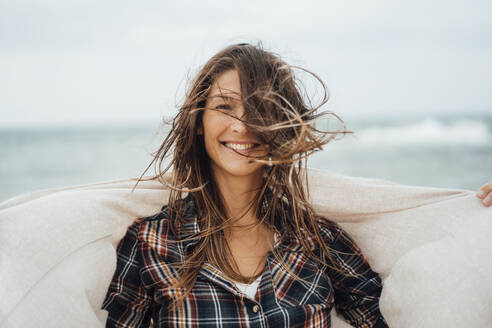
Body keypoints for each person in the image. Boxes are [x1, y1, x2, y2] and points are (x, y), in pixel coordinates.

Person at [101, 43, 492, 328]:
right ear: (199, 120)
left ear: (283, 127)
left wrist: (479, 220)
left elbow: (412, 302)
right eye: (225, 107)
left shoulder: (317, 241)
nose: (243, 124)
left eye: (261, 110)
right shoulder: (152, 244)